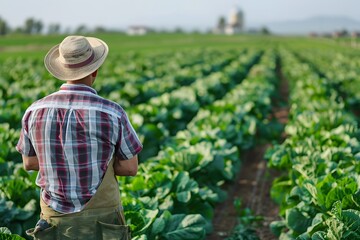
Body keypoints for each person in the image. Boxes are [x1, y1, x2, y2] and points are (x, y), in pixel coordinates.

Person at [16, 35, 143, 240]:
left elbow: (30, 163)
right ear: (95, 70)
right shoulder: (112, 112)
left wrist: (60, 162)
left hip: (54, 218)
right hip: (102, 220)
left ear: (62, 71)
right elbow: (130, 168)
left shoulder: (34, 111)